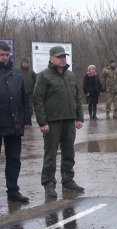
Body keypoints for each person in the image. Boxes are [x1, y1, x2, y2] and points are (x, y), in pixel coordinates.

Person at [32, 46, 85, 198]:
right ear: (51, 58)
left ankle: (68, 181)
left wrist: (79, 117)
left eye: (64, 56)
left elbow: (77, 98)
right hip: (52, 122)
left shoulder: (71, 75)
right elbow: (37, 100)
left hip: (69, 121)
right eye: (59, 56)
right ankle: (49, 183)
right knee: (51, 154)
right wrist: (42, 122)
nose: (62, 58)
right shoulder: (44, 76)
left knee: (69, 152)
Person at [0, 42, 31, 203]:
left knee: (14, 159)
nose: (4, 57)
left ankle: (13, 191)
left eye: (6, 54)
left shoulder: (17, 73)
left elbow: (25, 98)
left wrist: (26, 119)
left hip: (14, 123)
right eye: (1, 55)